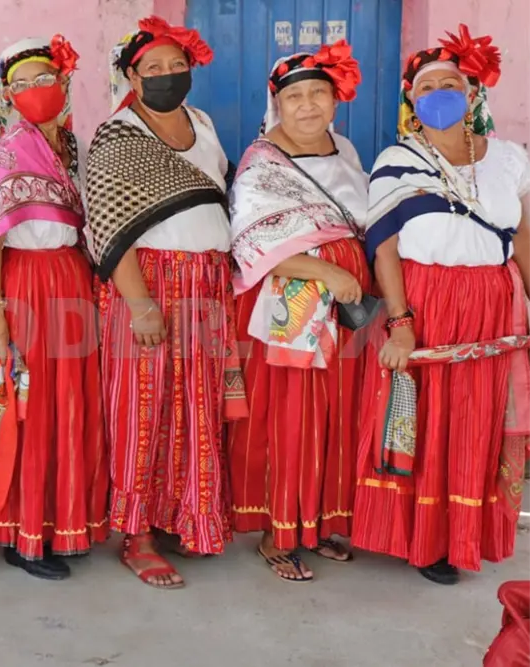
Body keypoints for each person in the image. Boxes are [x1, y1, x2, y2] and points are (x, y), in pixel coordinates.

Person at [355, 25, 530, 585]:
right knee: (424, 419)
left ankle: (466, 535)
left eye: (450, 83)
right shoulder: (396, 161)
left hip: (494, 302)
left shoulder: (507, 159)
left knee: (480, 417)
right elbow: (383, 249)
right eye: (426, 86)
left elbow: (523, 235)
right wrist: (401, 325)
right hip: (426, 300)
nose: (438, 93)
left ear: (473, 93)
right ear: (411, 99)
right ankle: (425, 541)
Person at [85, 16, 241, 589]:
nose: (168, 75)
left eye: (178, 66)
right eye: (154, 68)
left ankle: (186, 516)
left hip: (204, 281)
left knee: (194, 405)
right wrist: (141, 304)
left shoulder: (201, 123)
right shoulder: (118, 135)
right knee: (142, 407)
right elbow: (108, 226)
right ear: (132, 74)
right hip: (146, 282)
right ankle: (137, 534)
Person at [0, 35, 108, 580]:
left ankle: (66, 521)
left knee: (72, 401)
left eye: (42, 79)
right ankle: (25, 536)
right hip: (26, 284)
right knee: (33, 404)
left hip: (71, 279)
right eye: (19, 85)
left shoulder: (74, 149)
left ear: (64, 83)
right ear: (7, 96)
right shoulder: (11, 148)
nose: (33, 92)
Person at [226, 40, 368, 582]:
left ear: (335, 102)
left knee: (338, 409)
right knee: (291, 413)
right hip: (298, 298)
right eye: (295, 97)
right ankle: (278, 532)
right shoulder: (263, 163)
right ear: (277, 106)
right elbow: (251, 244)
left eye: (318, 94)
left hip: (349, 305)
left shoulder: (345, 151)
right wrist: (328, 272)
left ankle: (323, 521)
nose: (307, 105)